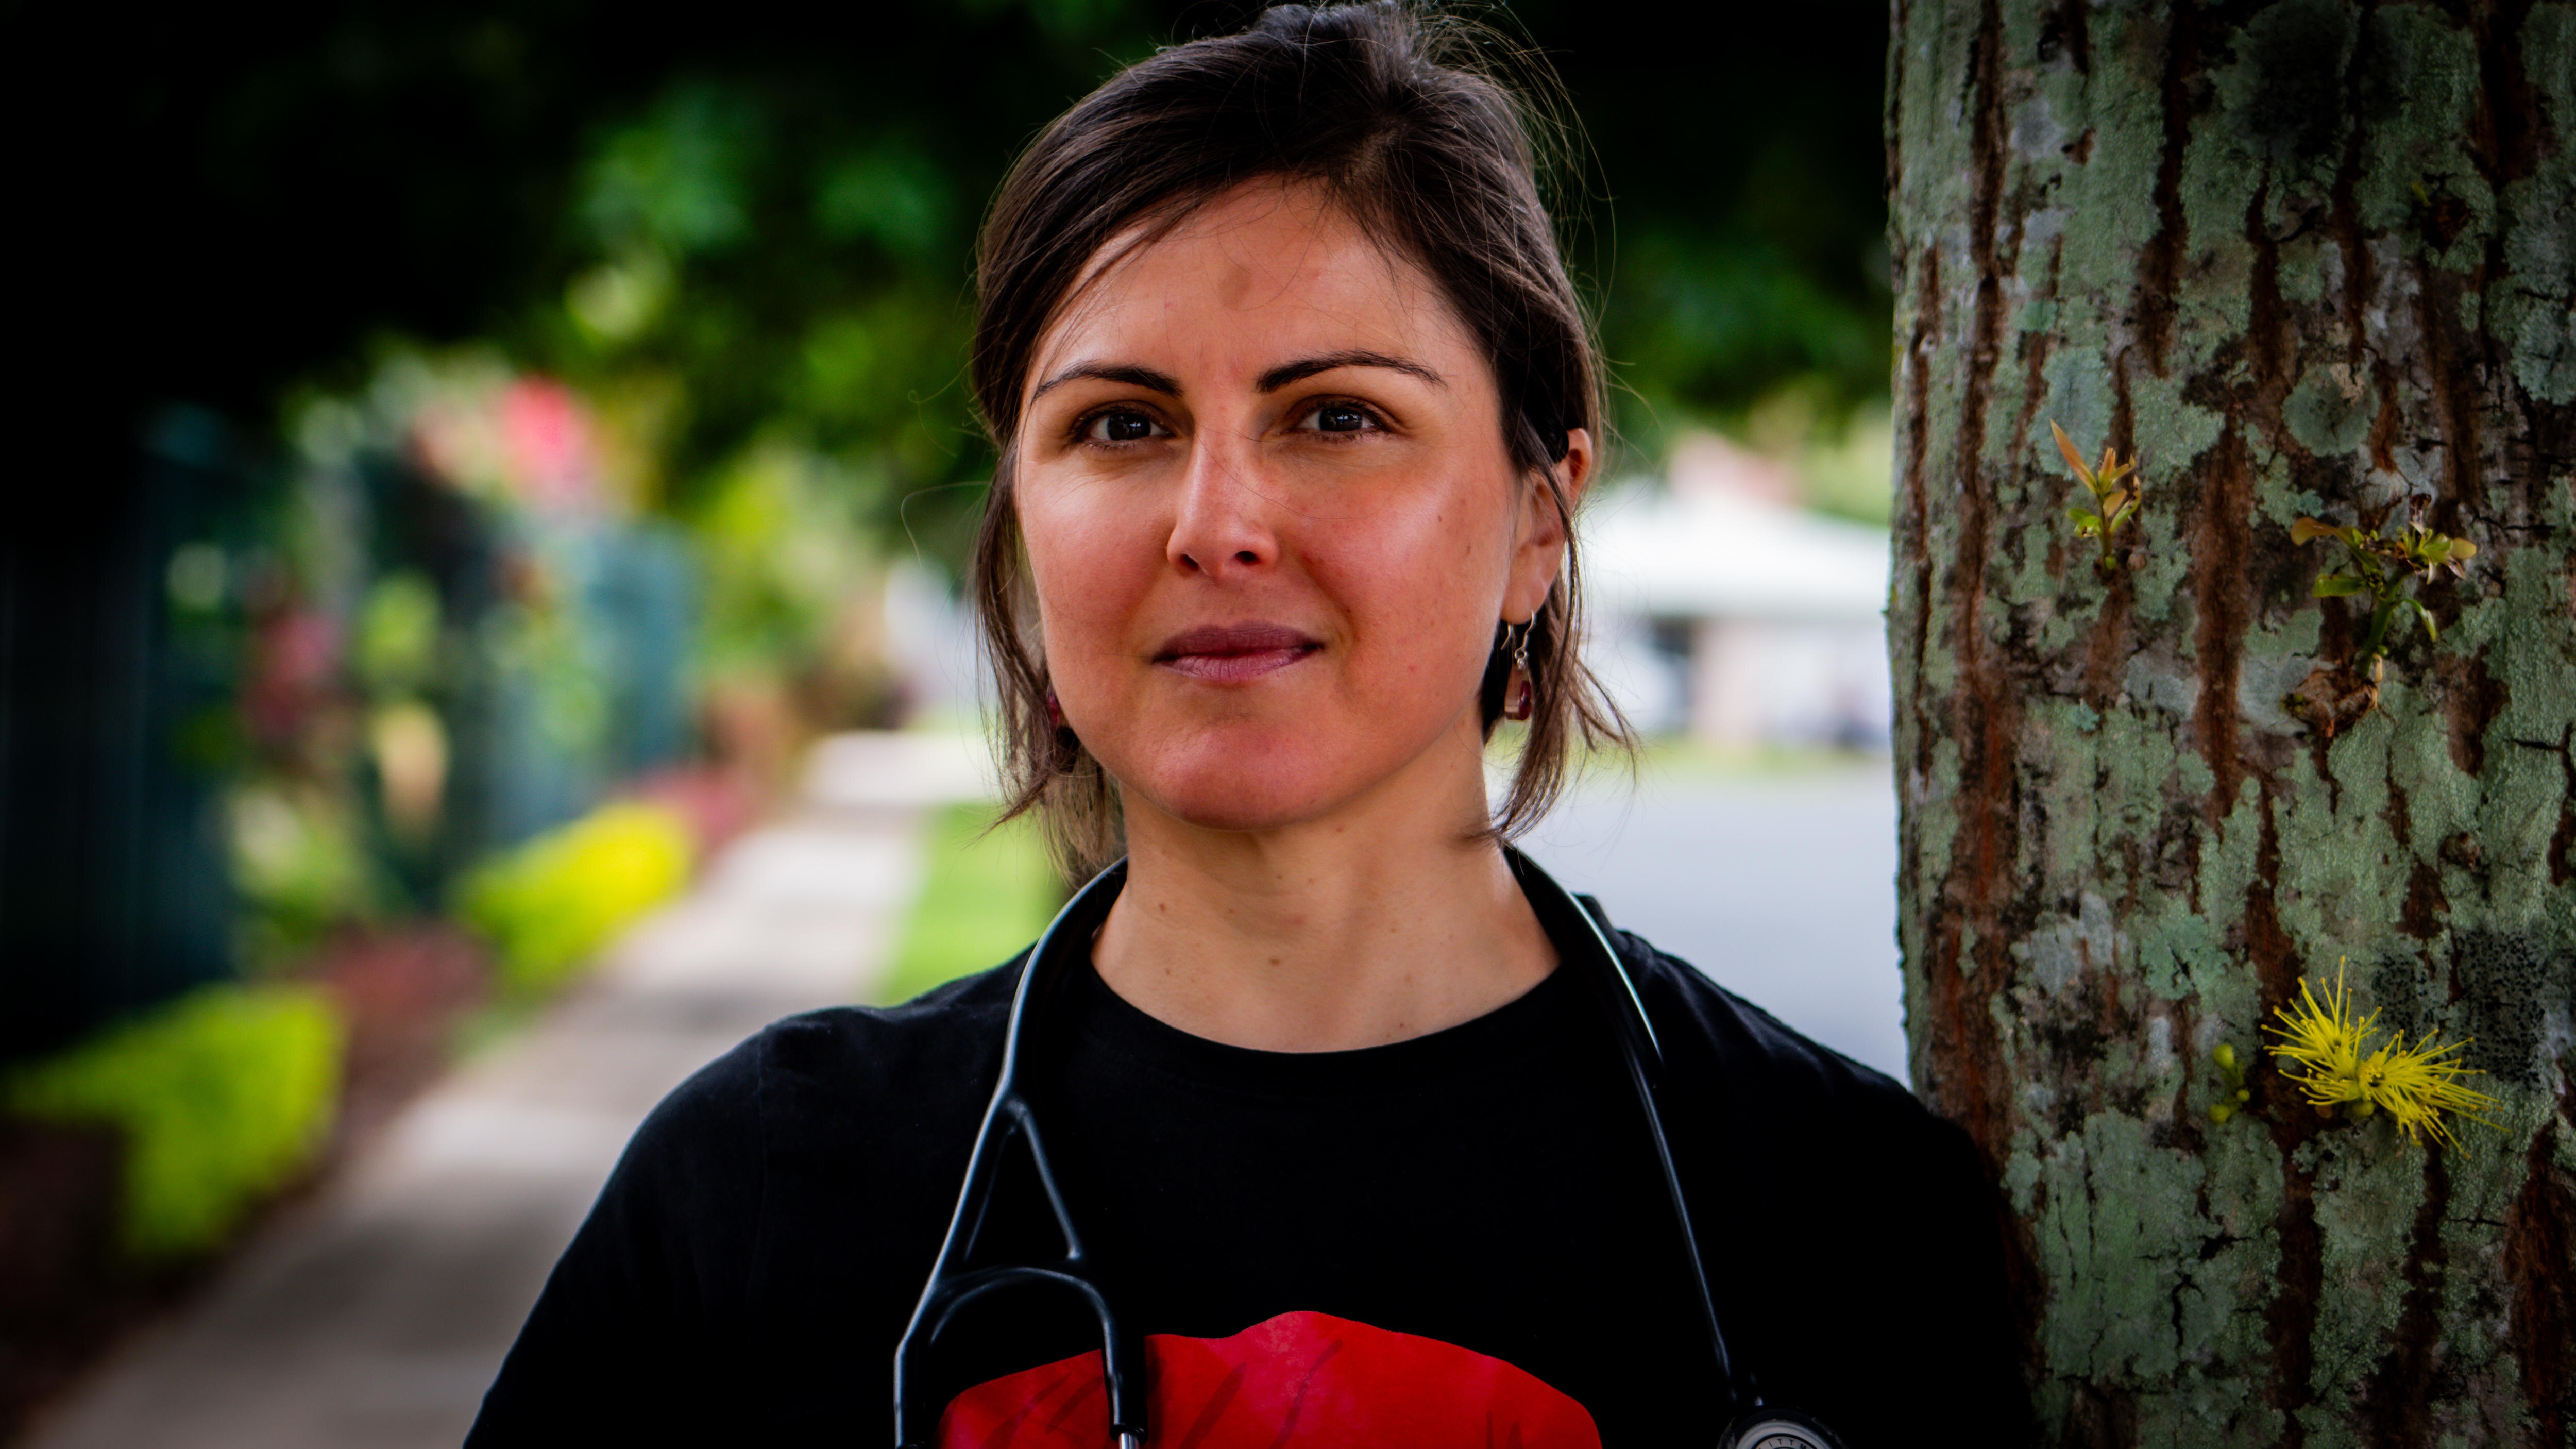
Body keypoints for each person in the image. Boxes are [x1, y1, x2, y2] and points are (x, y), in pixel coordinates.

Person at [465, 6, 2027, 1446]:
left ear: (1540, 519)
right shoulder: (758, 1196)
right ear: (1022, 522)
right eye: (1120, 425)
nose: (1216, 525)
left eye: (1338, 416)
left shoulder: (1842, 1209)